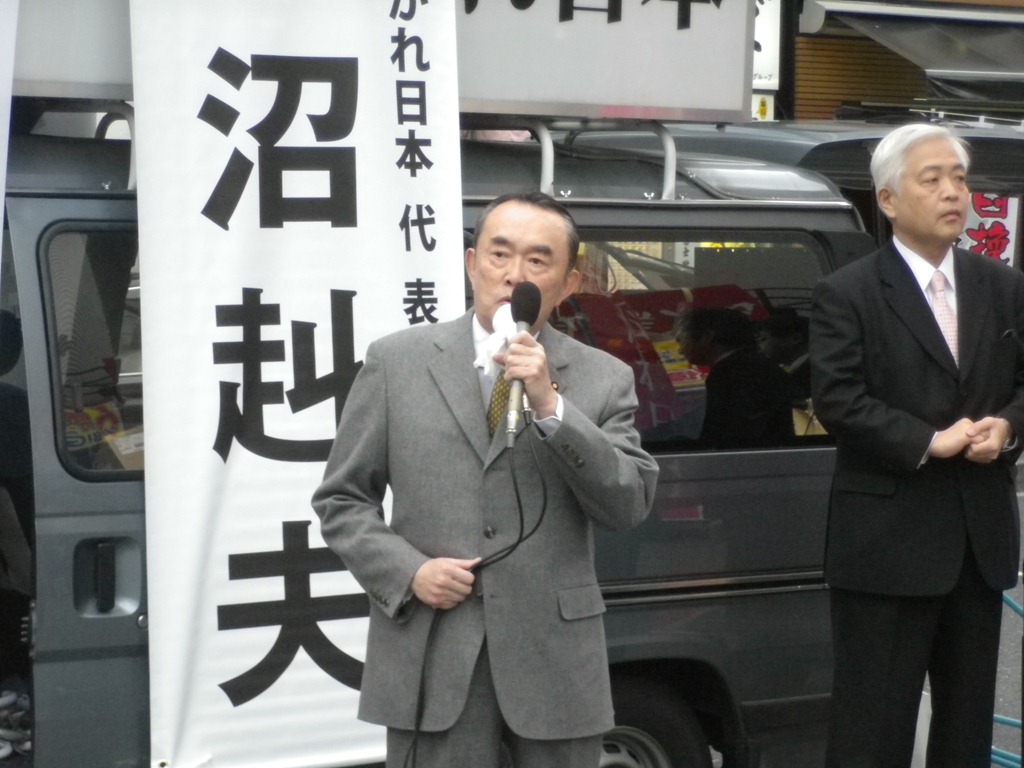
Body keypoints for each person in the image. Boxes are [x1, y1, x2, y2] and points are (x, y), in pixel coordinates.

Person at [312, 191, 659, 768]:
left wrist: (551, 406)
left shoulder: (604, 377)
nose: (514, 274)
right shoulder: (397, 362)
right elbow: (342, 499)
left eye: (538, 260)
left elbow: (627, 503)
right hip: (435, 648)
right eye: (500, 254)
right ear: (472, 263)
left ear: (568, 283)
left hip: (554, 660)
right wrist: (409, 571)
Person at [809, 123, 1024, 768]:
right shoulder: (848, 292)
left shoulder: (1002, 285)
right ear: (889, 200)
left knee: (965, 734)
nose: (953, 192)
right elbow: (838, 400)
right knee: (873, 732)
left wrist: (1008, 427)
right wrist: (931, 440)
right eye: (932, 180)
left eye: (959, 179)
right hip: (885, 545)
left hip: (978, 543)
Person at [676, 306, 793, 449]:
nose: (680, 350)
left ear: (707, 337)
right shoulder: (754, 364)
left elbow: (727, 434)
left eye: (681, 341)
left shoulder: (731, 373)